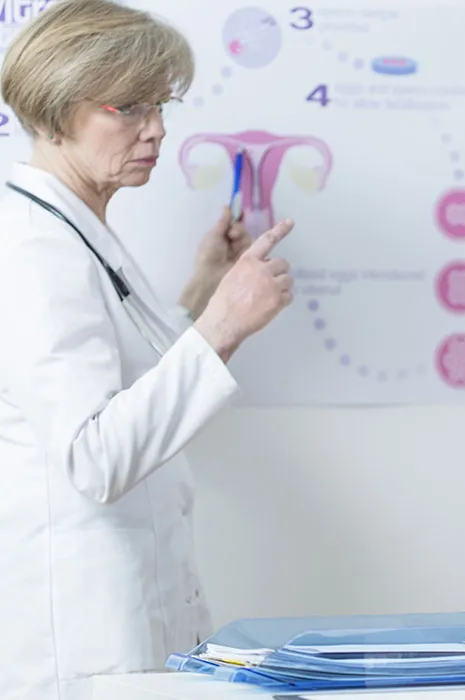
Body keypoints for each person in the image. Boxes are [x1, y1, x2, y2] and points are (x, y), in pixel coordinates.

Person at [0, 1, 296, 697]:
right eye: (128, 108)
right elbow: (94, 455)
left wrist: (201, 289)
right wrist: (223, 323)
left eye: (160, 105)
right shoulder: (34, 248)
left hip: (128, 614)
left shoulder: (73, 226)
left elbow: (119, 369)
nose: (157, 130)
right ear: (52, 111)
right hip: (82, 631)